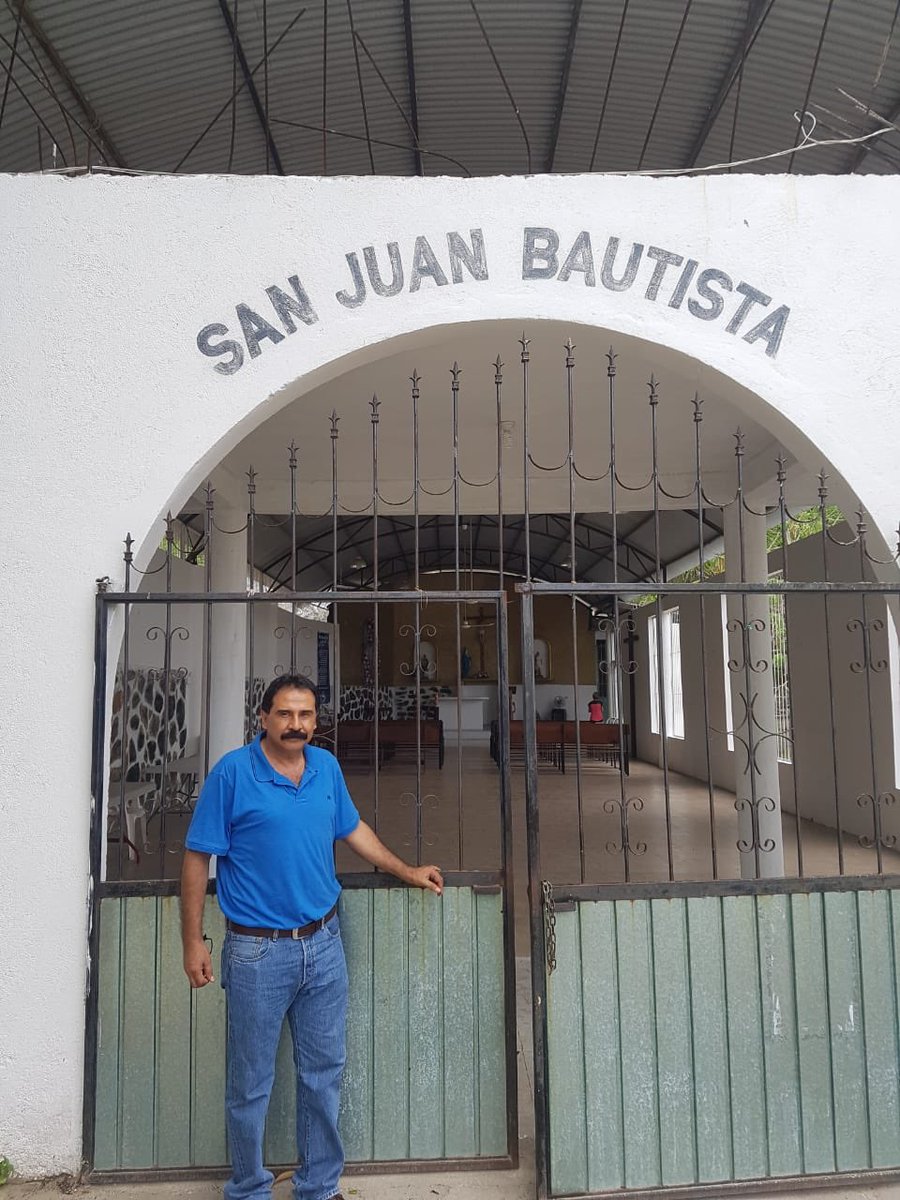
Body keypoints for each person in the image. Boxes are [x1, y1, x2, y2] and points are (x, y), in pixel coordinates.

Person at [180, 673, 442, 1200]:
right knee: (250, 1083)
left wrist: (405, 869)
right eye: (284, 714)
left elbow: (352, 829)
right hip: (257, 951)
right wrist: (192, 941)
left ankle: (318, 1187)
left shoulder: (325, 766)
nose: (295, 724)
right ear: (264, 719)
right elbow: (196, 857)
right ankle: (249, 1188)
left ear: (315, 721)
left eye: (304, 715)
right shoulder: (232, 774)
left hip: (323, 945)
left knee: (323, 1074)